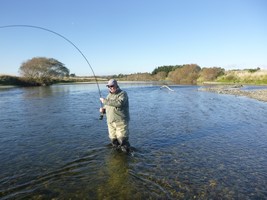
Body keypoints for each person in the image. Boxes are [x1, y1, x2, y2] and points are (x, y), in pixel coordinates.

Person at [100, 79, 130, 152]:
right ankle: (117, 155)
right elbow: (108, 106)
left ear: (116, 85)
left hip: (120, 121)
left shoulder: (122, 93)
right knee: (113, 140)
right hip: (110, 122)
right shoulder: (109, 95)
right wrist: (103, 110)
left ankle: (127, 158)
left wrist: (105, 101)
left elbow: (119, 103)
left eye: (112, 86)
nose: (110, 87)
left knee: (122, 140)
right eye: (108, 86)